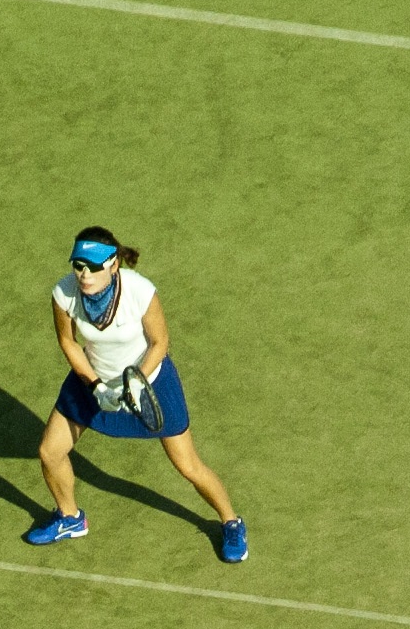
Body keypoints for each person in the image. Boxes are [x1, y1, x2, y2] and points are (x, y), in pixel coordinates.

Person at [27, 225, 247, 563]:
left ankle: (231, 521)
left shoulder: (140, 292)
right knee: (49, 451)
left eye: (94, 266)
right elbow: (68, 342)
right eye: (78, 265)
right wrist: (95, 385)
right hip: (91, 381)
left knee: (188, 465)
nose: (85, 275)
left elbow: (160, 343)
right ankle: (70, 518)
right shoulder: (64, 293)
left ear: (114, 264)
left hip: (150, 383)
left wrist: (136, 381)